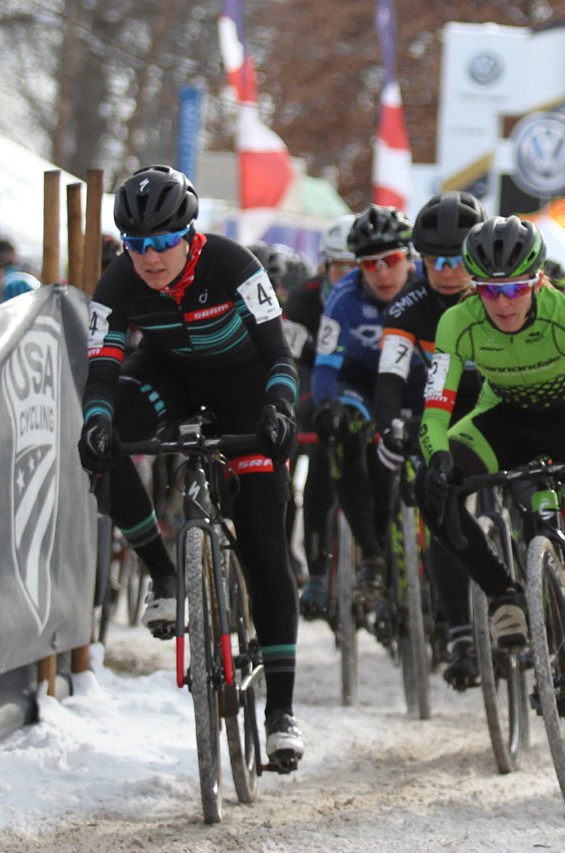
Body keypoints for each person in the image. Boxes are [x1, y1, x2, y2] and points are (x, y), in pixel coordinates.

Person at [76, 165, 304, 767]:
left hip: (245, 387)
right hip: (168, 377)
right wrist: (96, 421)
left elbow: (279, 355)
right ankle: (164, 574)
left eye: (160, 244)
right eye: (135, 244)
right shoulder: (119, 281)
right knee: (105, 444)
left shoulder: (233, 267)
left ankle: (281, 711)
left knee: (261, 539)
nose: (148, 258)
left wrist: (279, 410)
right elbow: (102, 369)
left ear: (188, 235)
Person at [416, 215, 565, 767]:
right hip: (503, 419)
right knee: (433, 488)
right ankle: (504, 594)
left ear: (538, 280)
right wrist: (438, 458)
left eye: (516, 288)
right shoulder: (458, 322)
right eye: (490, 290)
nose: (503, 303)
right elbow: (435, 413)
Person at [374, 191, 488, 689]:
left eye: (457, 259)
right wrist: (388, 424)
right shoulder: (409, 305)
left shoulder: (497, 292)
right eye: (434, 259)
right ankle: (461, 631)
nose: (446, 269)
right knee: (441, 507)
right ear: (420, 259)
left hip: (498, 407)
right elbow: (390, 375)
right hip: (439, 413)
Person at [312, 205, 422, 595]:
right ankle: (372, 553)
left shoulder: (430, 286)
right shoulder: (342, 299)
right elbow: (325, 368)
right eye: (368, 264)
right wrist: (329, 406)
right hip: (362, 382)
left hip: (418, 381)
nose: (380, 273)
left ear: (409, 257)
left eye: (390, 260)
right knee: (344, 438)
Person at [289, 216, 357, 615]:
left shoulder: (378, 296)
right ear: (324, 267)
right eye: (339, 267)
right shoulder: (303, 300)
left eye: (356, 267)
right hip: (316, 382)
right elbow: (287, 359)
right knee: (317, 470)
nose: (348, 275)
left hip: (366, 384)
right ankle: (316, 574)